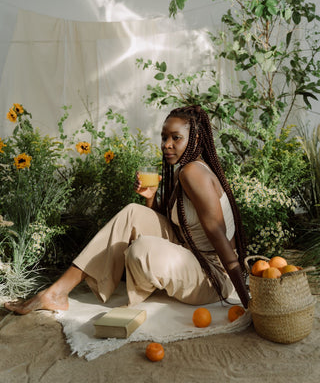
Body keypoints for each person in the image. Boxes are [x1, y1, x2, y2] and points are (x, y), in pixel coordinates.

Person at [4, 105, 250, 314]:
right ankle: (56, 293)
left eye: (176, 138)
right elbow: (180, 226)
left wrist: (246, 300)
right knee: (133, 211)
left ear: (195, 139)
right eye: (164, 137)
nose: (167, 145)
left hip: (211, 275)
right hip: (191, 251)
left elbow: (219, 237)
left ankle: (57, 293)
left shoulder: (192, 172)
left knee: (141, 250)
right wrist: (151, 198)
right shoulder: (186, 169)